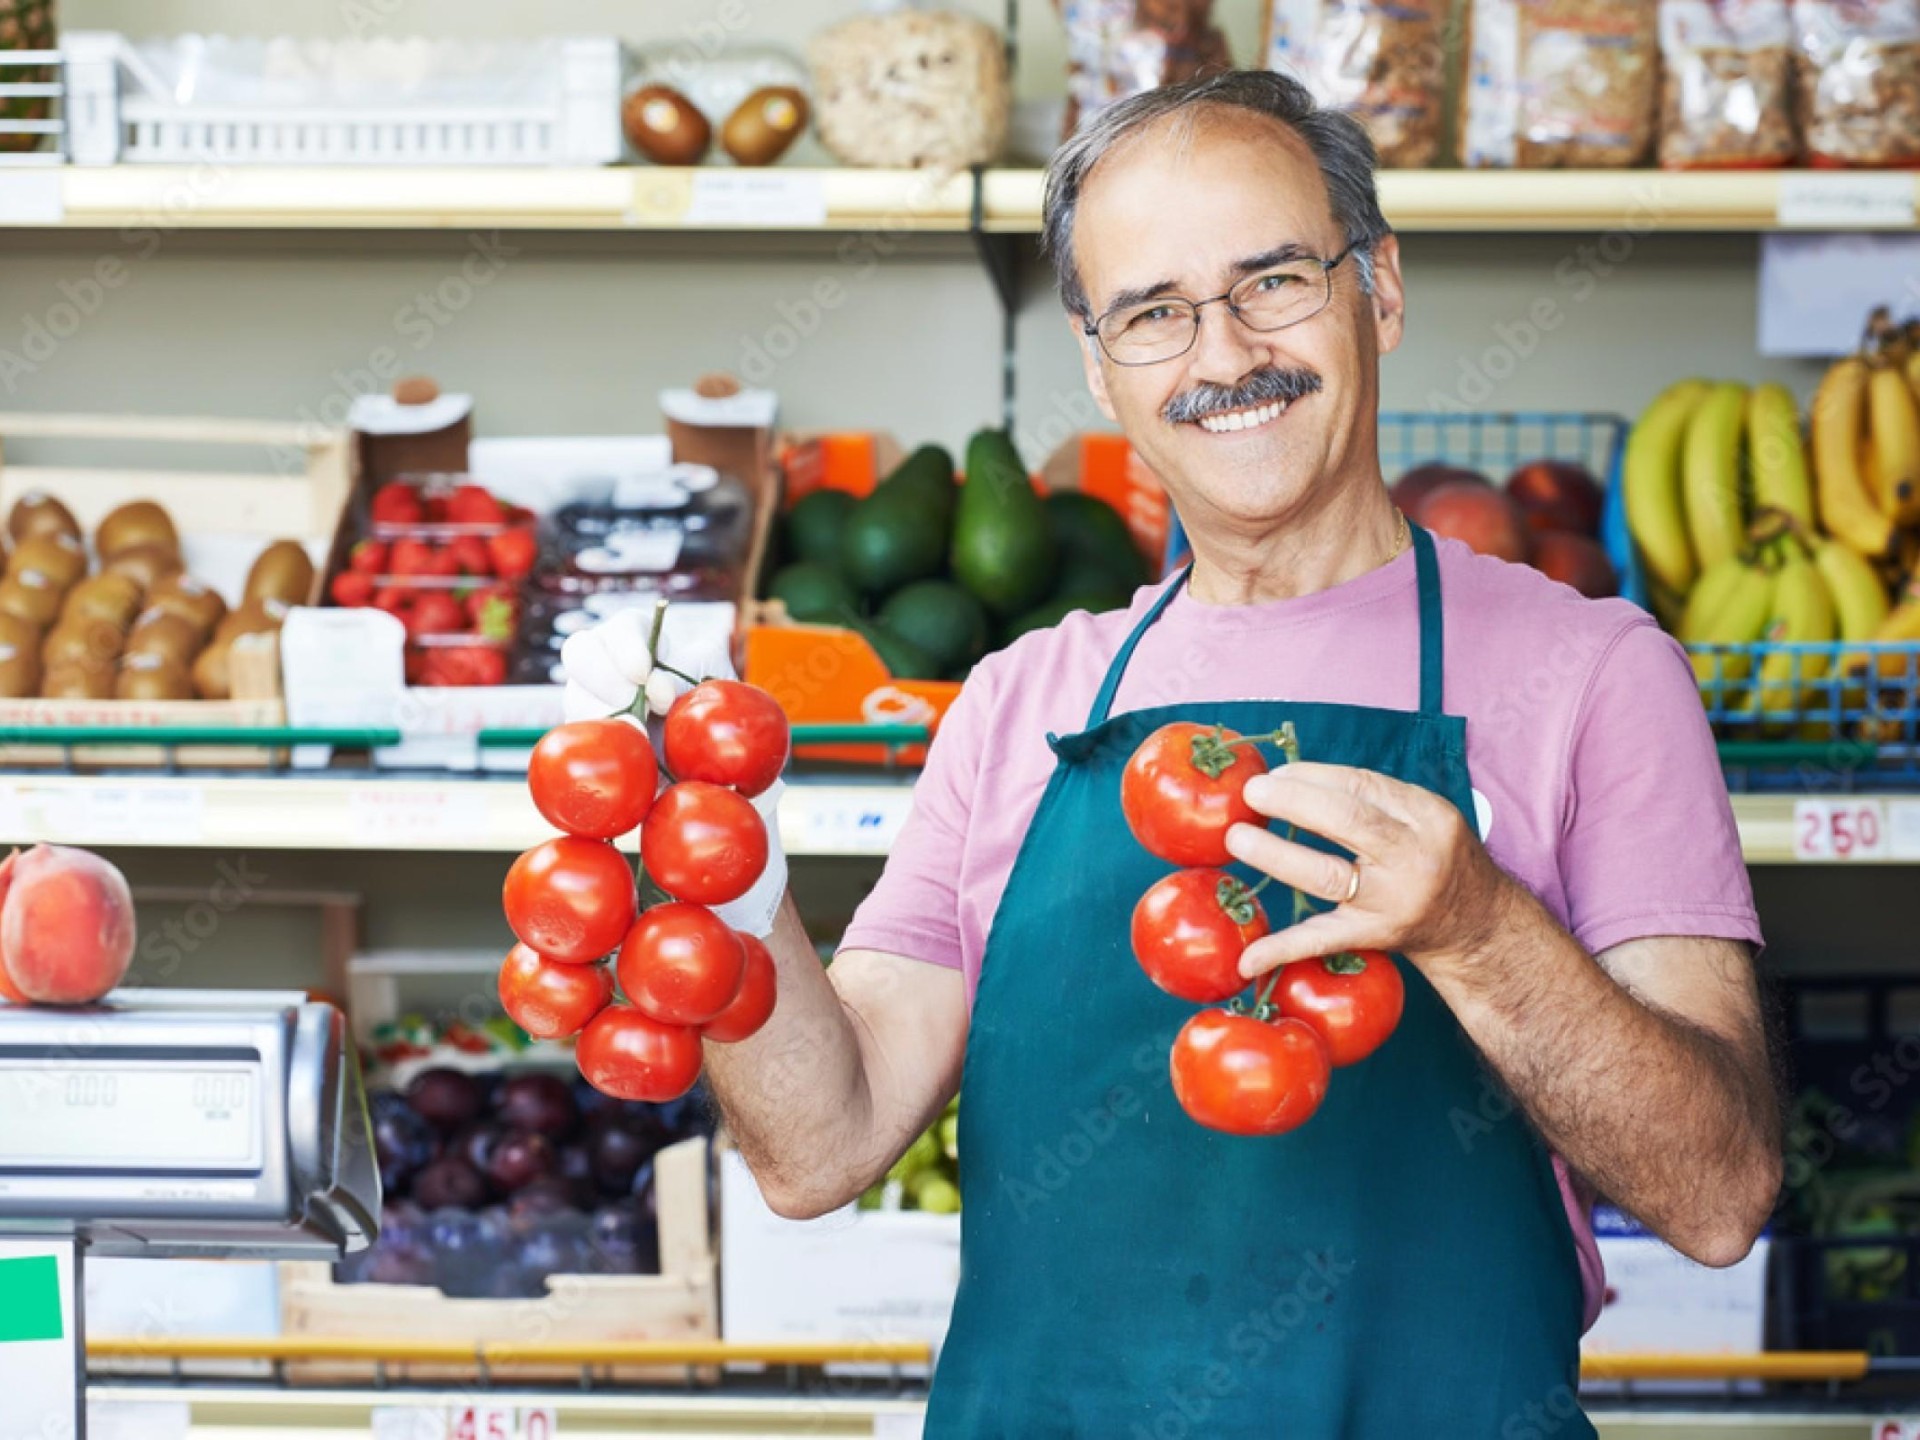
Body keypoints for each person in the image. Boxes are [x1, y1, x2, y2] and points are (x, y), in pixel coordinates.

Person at [564, 69, 1780, 1440]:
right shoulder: (1024, 698)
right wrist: (717, 865)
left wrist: (1477, 927)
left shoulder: (1597, 675)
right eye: (1154, 313)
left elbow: (1720, 1194)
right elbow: (818, 1148)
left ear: (1378, 288)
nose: (1221, 355)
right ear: (1099, 364)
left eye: (1274, 282)